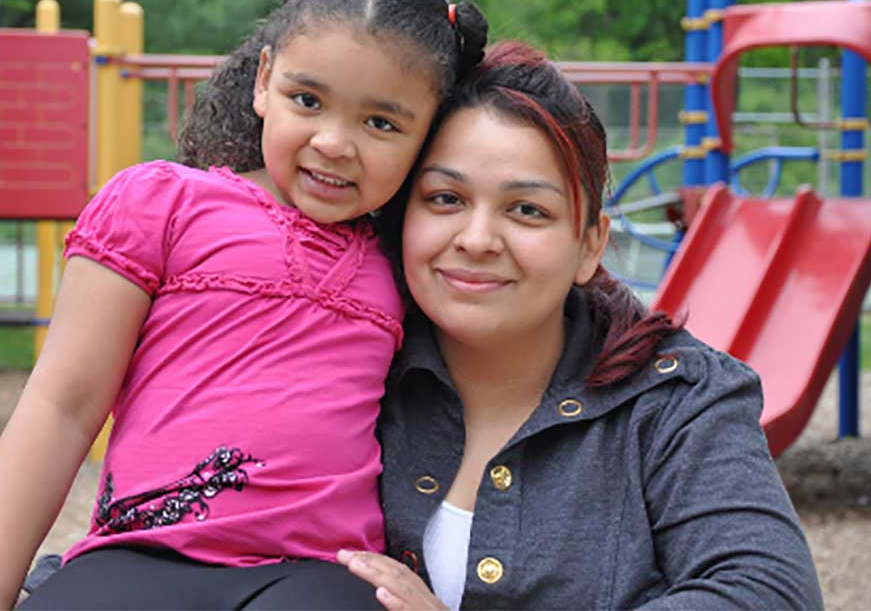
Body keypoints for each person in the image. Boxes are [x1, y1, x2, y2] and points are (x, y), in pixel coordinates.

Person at [0, 0, 487, 611]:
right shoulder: (162, 203)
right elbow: (62, 404)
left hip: (317, 573)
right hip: (143, 550)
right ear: (263, 81)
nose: (334, 142)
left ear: (427, 136)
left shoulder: (406, 260)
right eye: (307, 99)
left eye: (380, 122)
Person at [335, 42, 824, 610]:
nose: (476, 239)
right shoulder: (347, 370)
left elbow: (767, 596)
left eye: (527, 210)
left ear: (591, 243)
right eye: (445, 198)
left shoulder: (678, 400)